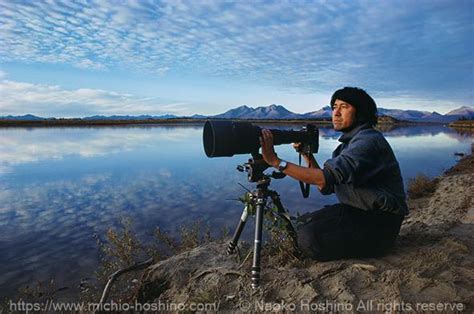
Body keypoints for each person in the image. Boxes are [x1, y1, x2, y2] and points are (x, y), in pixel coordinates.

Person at [260, 87, 408, 261]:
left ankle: (376, 247)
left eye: (344, 107)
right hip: (357, 211)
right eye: (334, 107)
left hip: (380, 223)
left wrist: (276, 162)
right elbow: (326, 186)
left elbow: (322, 178)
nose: (336, 113)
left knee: (310, 240)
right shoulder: (346, 146)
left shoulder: (368, 141)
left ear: (360, 112)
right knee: (301, 223)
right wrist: (306, 154)